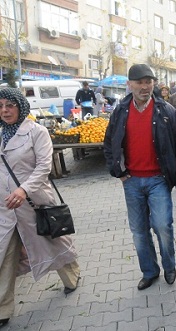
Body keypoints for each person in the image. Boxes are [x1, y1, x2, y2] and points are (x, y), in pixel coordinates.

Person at [103, 64, 176, 290]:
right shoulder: (120, 111)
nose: (145, 86)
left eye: (148, 82)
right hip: (131, 181)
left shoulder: (166, 111)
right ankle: (149, 271)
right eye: (140, 82)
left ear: (154, 83)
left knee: (163, 226)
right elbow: (109, 144)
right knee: (138, 231)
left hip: (158, 180)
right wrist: (119, 172)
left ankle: (169, 267)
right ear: (130, 84)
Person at [0, 88, 80, 328]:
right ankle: (3, 307)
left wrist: (23, 190)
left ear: (21, 106)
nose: (4, 110)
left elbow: (44, 167)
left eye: (10, 105)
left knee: (51, 243)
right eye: (1, 105)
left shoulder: (37, 132)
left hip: (33, 203)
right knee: (5, 254)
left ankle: (71, 275)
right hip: (5, 208)